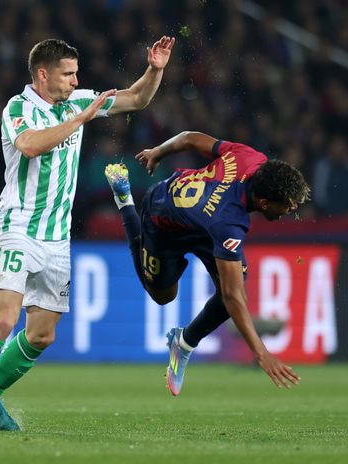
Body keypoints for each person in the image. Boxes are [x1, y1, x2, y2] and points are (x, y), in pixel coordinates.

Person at [0, 35, 176, 432]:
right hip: (17, 226)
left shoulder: (77, 100)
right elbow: (30, 145)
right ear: (42, 74)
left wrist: (154, 70)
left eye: (76, 74)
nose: (75, 80)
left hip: (56, 237)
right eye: (68, 74)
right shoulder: (19, 108)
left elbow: (137, 100)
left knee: (41, 334)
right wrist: (80, 119)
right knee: (3, 322)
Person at [103, 130, 310, 396]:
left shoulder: (249, 156)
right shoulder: (229, 222)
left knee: (234, 284)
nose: (291, 211)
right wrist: (262, 354)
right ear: (265, 202)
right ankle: (125, 201)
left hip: (201, 223)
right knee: (164, 295)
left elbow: (189, 137)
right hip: (162, 218)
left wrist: (158, 151)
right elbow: (233, 297)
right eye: (288, 206)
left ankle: (184, 343)